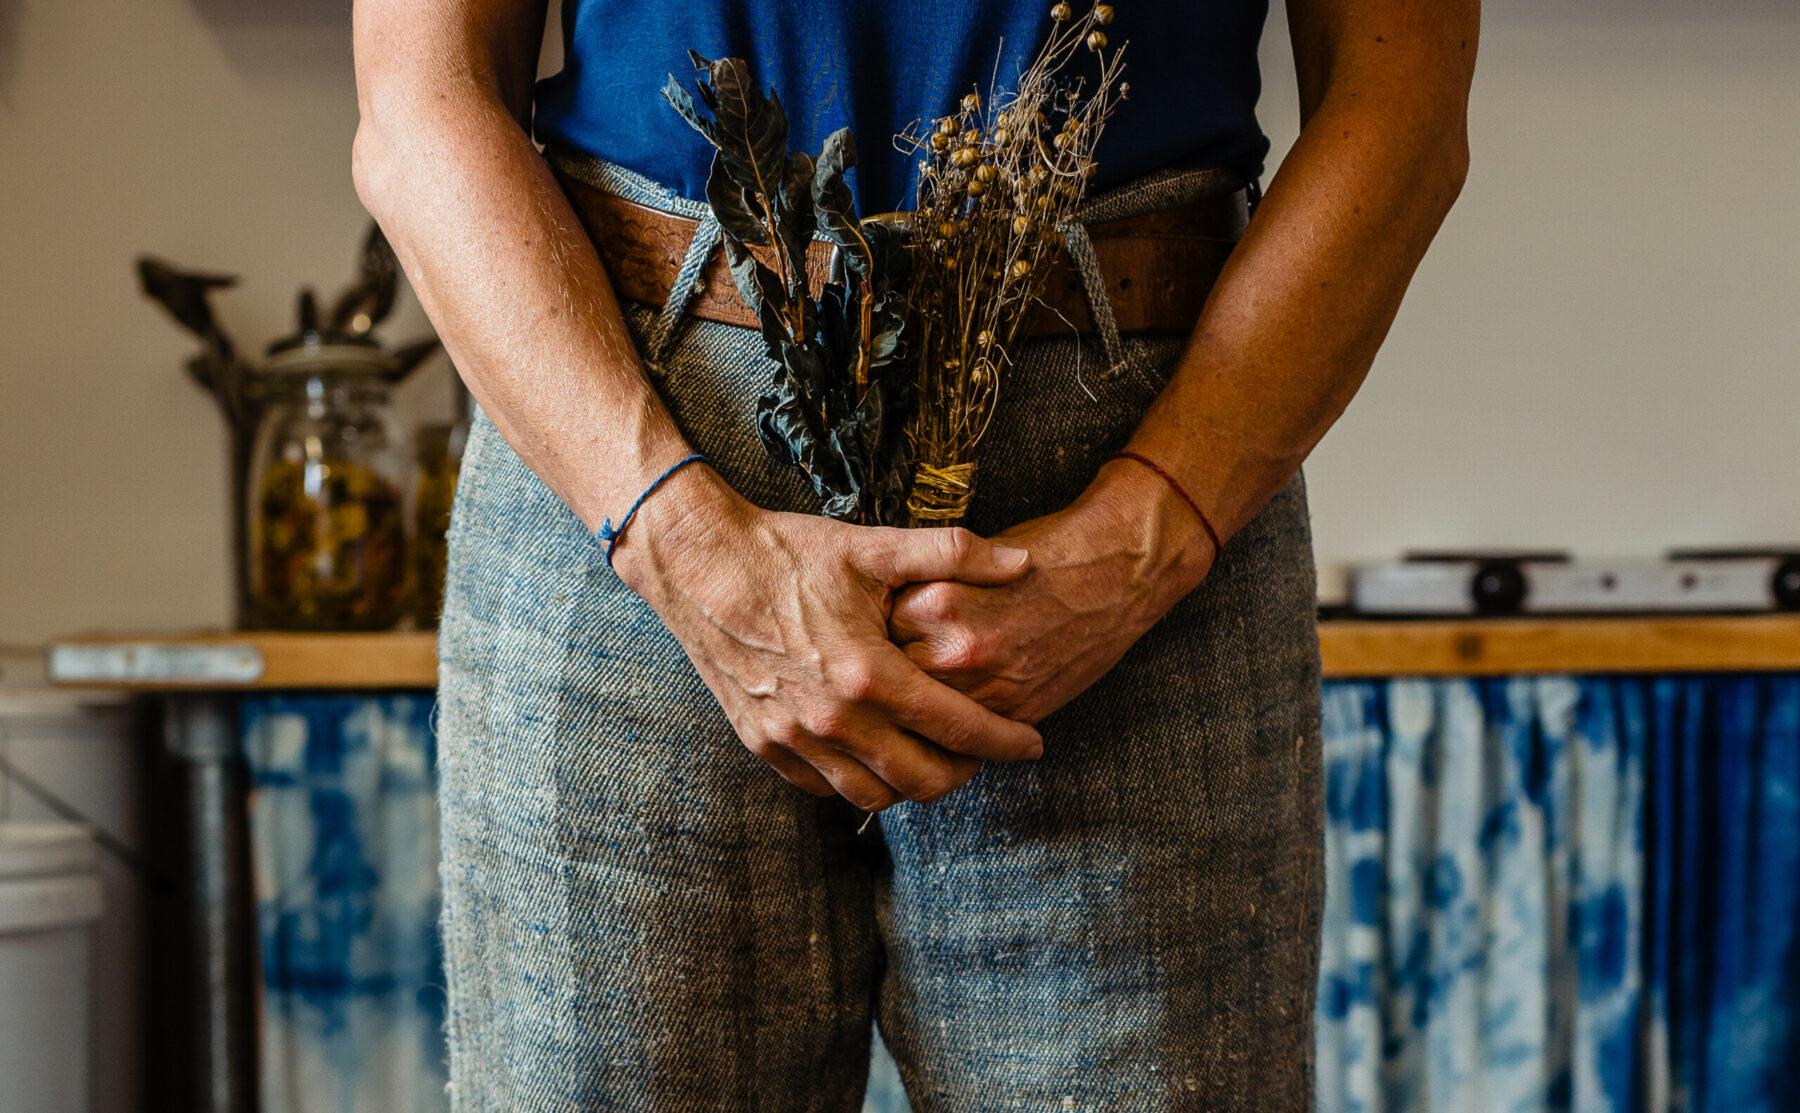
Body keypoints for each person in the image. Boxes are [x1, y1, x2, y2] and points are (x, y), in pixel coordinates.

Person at [351, 0, 1476, 1107]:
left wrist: (1152, 534)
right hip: (627, 445)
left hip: (1132, 445)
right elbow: (420, 97)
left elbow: (1399, 104)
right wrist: (679, 540)